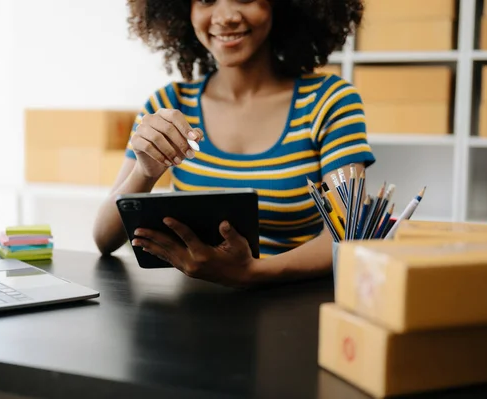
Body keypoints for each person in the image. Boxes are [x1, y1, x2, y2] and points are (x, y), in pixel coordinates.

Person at [93, 0, 375, 288]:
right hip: (192, 313)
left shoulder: (329, 102)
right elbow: (104, 239)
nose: (226, 17)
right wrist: (145, 173)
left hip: (290, 310)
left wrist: (252, 273)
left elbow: (347, 233)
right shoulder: (170, 105)